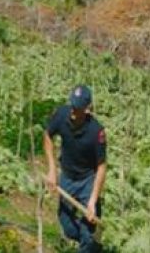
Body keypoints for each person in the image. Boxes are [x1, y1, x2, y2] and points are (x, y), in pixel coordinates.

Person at [43, 84, 107, 253]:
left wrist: (92, 201)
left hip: (88, 180)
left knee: (89, 231)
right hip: (67, 177)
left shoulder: (96, 132)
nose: (72, 110)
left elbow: (101, 167)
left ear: (87, 110)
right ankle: (90, 244)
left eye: (76, 108)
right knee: (67, 226)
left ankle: (89, 242)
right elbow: (48, 136)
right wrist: (52, 169)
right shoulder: (61, 114)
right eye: (72, 105)